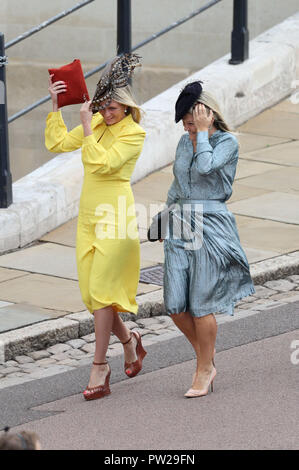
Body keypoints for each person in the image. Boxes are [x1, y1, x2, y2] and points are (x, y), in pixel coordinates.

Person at [45, 54, 147, 401]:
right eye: (102, 107)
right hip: (89, 216)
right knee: (93, 297)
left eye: (112, 107)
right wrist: (56, 105)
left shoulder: (134, 133)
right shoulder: (100, 125)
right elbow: (57, 143)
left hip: (115, 215)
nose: (106, 113)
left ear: (127, 105)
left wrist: (88, 125)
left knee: (103, 293)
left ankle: (99, 367)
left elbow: (100, 164)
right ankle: (130, 341)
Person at [161, 81, 255, 398]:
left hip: (211, 224)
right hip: (178, 224)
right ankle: (207, 355)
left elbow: (205, 167)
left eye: (192, 122)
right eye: (186, 124)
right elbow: (178, 183)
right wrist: (163, 216)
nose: (187, 129)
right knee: (174, 304)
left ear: (208, 115)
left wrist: (201, 134)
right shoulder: (183, 143)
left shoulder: (227, 142)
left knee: (201, 305)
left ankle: (203, 368)